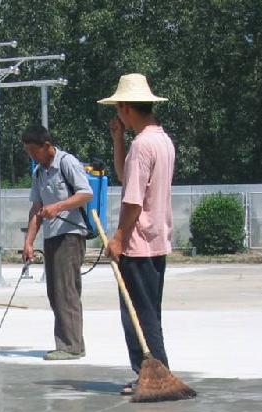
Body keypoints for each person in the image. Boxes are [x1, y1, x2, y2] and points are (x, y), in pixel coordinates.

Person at [99, 73, 174, 395]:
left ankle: (153, 374)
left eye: (118, 109)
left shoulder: (143, 145)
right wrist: (117, 140)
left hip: (138, 243)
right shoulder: (160, 140)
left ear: (126, 107)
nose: (118, 114)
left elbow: (132, 201)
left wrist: (117, 237)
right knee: (148, 313)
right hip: (156, 240)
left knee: (139, 318)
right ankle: (154, 373)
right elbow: (125, 177)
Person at [22, 124, 94, 360]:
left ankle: (72, 346)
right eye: (29, 153)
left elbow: (85, 193)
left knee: (66, 291)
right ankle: (66, 342)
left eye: (34, 151)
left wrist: (58, 207)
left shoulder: (67, 163)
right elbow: (36, 209)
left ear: (46, 146)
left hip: (71, 235)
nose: (32, 156)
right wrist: (29, 242)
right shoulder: (39, 173)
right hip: (51, 236)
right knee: (55, 292)